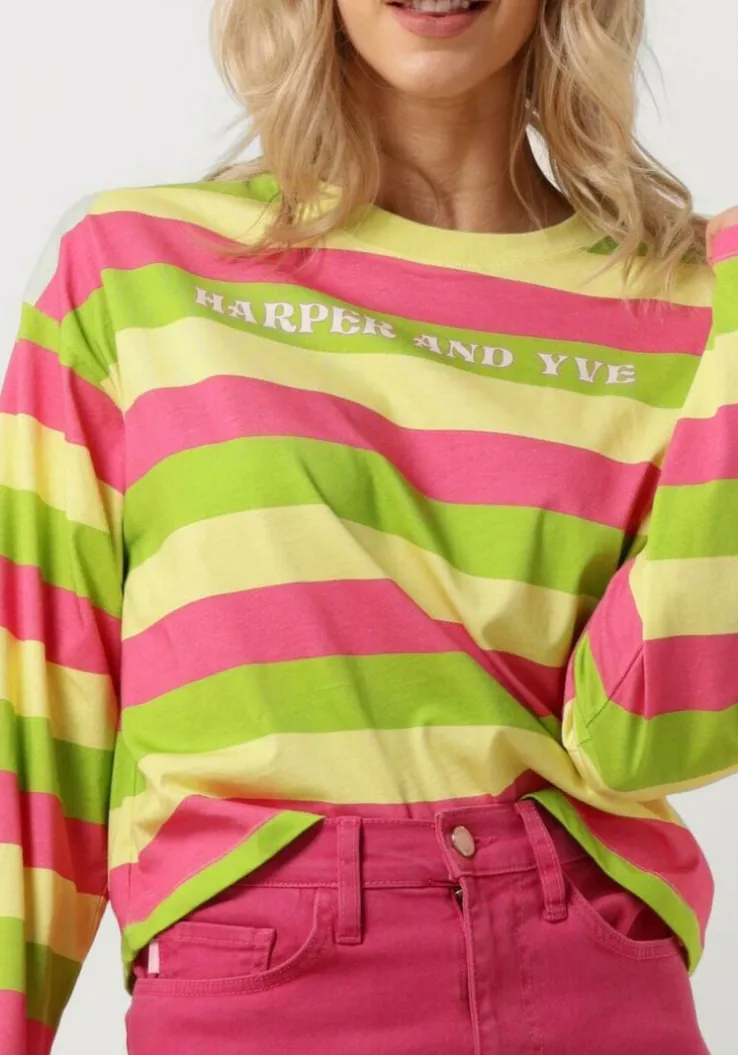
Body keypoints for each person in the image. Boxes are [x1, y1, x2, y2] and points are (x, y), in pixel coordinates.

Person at [2, 0, 738, 1052]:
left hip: (592, 978)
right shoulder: (137, 272)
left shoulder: (690, 306)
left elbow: (646, 732)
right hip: (261, 985)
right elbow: (31, 750)